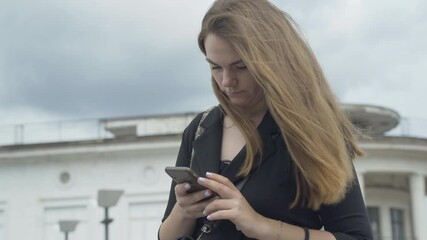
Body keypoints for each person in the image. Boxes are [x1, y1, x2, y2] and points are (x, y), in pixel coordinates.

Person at [159, 0, 373, 239]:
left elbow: (357, 237)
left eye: (240, 67)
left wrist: (262, 226)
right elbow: (166, 235)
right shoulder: (200, 129)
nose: (227, 81)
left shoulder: (313, 132)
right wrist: (183, 212)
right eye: (215, 67)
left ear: (272, 61)